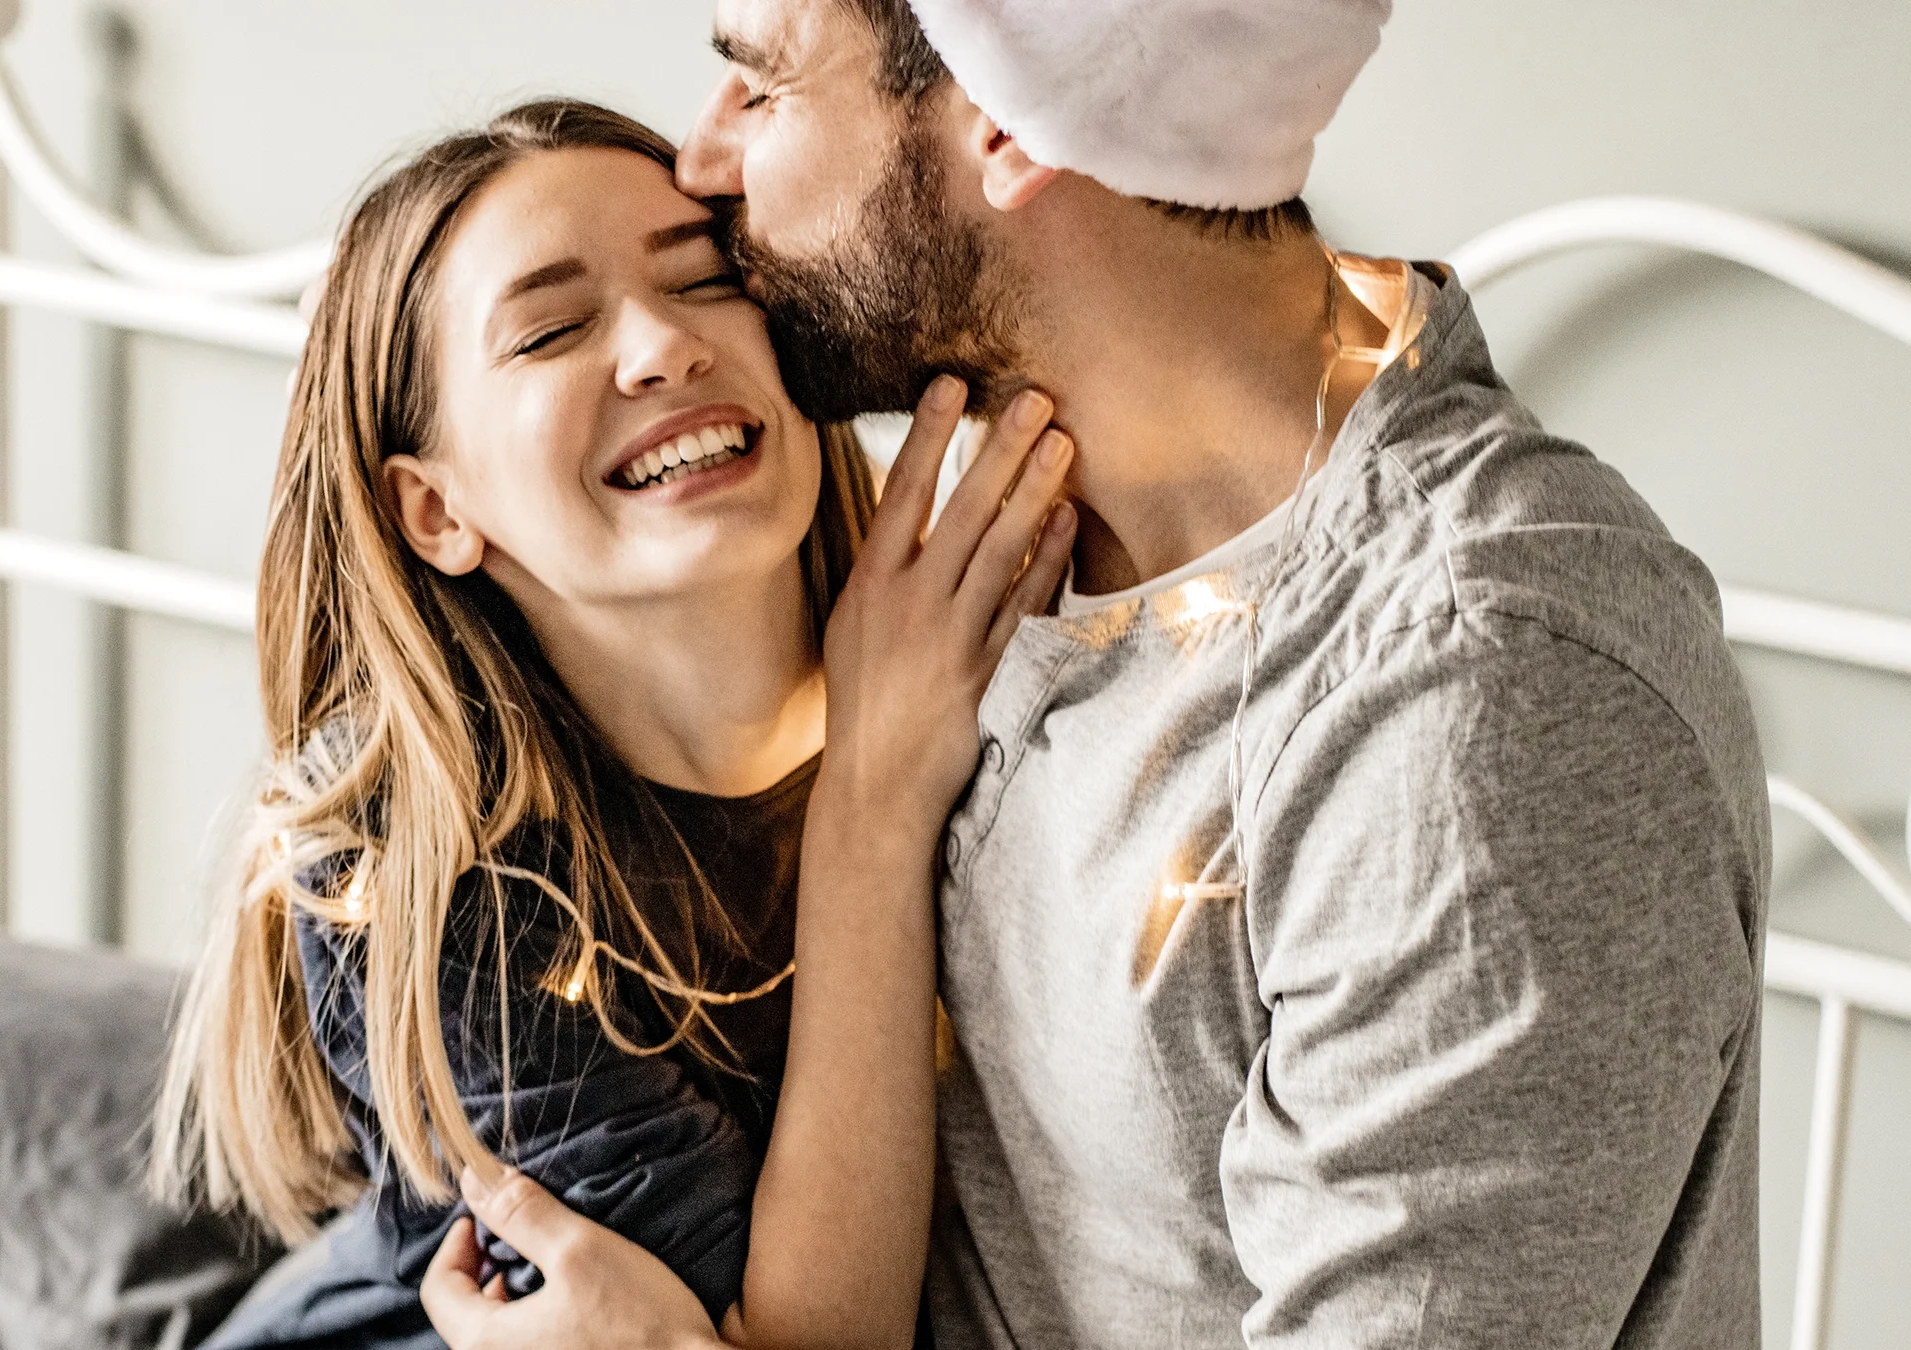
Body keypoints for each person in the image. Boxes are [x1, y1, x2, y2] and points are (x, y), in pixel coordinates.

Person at [422, 3, 1772, 1348]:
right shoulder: (970, 528)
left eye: (762, 88)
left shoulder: (1469, 706)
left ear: (1006, 121)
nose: (703, 164)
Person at [151, 99, 1075, 1350]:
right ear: (434, 511)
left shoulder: (1001, 664)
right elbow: (809, 1340)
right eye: (548, 331)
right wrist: (871, 795)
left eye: (705, 281)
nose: (662, 347)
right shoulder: (417, 864)